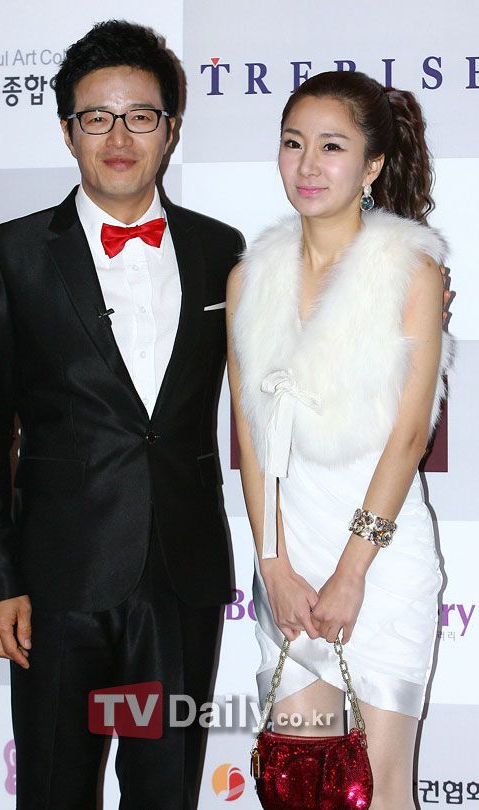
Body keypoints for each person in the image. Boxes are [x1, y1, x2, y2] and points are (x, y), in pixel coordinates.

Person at [0, 19, 243, 810]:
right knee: (54, 791)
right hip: (55, 588)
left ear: (170, 129)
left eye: (140, 116)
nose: (119, 137)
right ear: (67, 131)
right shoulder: (12, 254)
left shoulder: (221, 251)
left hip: (177, 583)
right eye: (97, 117)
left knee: (163, 793)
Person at [226, 70, 452, 809]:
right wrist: (273, 564)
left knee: (382, 793)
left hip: (379, 562)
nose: (308, 164)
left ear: (373, 164)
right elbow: (250, 433)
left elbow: (409, 436)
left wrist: (352, 572)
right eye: (293, 143)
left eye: (332, 146)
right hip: (289, 559)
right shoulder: (249, 277)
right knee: (297, 790)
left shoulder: (410, 270)